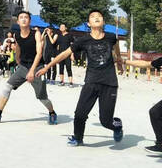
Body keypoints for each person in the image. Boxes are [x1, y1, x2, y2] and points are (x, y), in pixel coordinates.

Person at [38, 10, 124, 146]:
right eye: (93, 17)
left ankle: (117, 125)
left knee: (106, 121)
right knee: (79, 114)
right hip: (91, 81)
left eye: (99, 17)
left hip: (109, 83)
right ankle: (78, 138)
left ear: (104, 22)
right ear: (89, 24)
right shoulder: (83, 40)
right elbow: (65, 53)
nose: (96, 18)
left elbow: (116, 48)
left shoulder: (111, 37)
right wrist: (47, 67)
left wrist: (119, 61)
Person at [0, 11, 58, 125]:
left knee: (42, 97)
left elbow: (39, 53)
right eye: (21, 17)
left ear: (29, 21)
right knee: (7, 86)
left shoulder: (36, 33)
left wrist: (31, 71)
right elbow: (18, 46)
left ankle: (52, 113)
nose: (24, 19)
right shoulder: (17, 35)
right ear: (18, 21)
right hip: (23, 66)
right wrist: (17, 58)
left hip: (37, 67)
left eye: (26, 17)